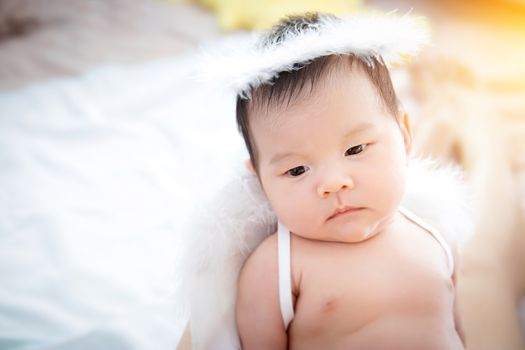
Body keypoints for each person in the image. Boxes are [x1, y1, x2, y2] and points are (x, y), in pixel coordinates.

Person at [232, 13, 466, 349]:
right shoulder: (277, 268)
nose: (333, 183)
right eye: (296, 170)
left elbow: (460, 331)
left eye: (355, 149)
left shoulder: (436, 238)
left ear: (404, 136)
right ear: (260, 181)